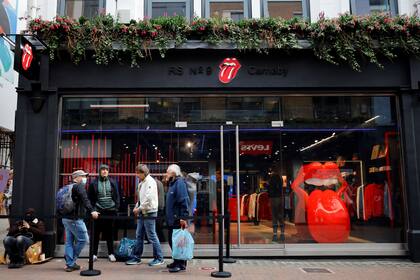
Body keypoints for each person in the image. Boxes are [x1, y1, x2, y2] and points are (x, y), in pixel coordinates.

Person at [126, 164, 164, 266]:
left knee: (151, 236)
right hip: (143, 212)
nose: (136, 175)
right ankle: (136, 257)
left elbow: (148, 199)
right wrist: (137, 207)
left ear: (143, 173)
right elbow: (142, 199)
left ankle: (159, 258)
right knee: (139, 235)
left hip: (149, 212)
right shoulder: (142, 182)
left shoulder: (150, 181)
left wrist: (138, 209)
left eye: (138, 173)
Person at [62, 170, 99, 272]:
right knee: (84, 239)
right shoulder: (79, 186)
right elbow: (85, 199)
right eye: (82, 176)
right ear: (76, 178)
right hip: (75, 218)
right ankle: (71, 262)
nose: (85, 178)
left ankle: (70, 263)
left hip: (65, 218)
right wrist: (92, 211)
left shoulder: (67, 187)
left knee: (69, 241)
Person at [88, 164, 120, 262]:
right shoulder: (93, 183)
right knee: (95, 234)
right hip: (98, 211)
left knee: (110, 234)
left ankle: (111, 253)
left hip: (110, 211)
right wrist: (93, 209)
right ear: (99, 171)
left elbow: (117, 195)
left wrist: (116, 207)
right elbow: (90, 198)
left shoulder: (113, 182)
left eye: (106, 169)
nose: (105, 171)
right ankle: (94, 254)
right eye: (103, 169)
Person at [165, 164, 190, 273]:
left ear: (173, 173)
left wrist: (183, 217)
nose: (166, 174)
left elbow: (183, 200)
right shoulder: (172, 183)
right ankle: (176, 261)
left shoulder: (179, 183)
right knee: (173, 241)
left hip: (177, 218)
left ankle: (180, 264)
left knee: (177, 241)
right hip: (172, 218)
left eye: (168, 172)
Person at [267, 167, 284, 242]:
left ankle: (275, 234)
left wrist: (267, 186)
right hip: (279, 197)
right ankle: (282, 233)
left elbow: (270, 189)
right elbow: (280, 188)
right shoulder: (279, 179)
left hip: (273, 198)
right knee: (280, 215)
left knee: (274, 215)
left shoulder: (272, 179)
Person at [155, 178, 166, 242]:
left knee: (157, 226)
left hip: (157, 207)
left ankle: (162, 239)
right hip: (160, 206)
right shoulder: (159, 183)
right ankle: (162, 239)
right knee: (158, 226)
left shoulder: (155, 183)